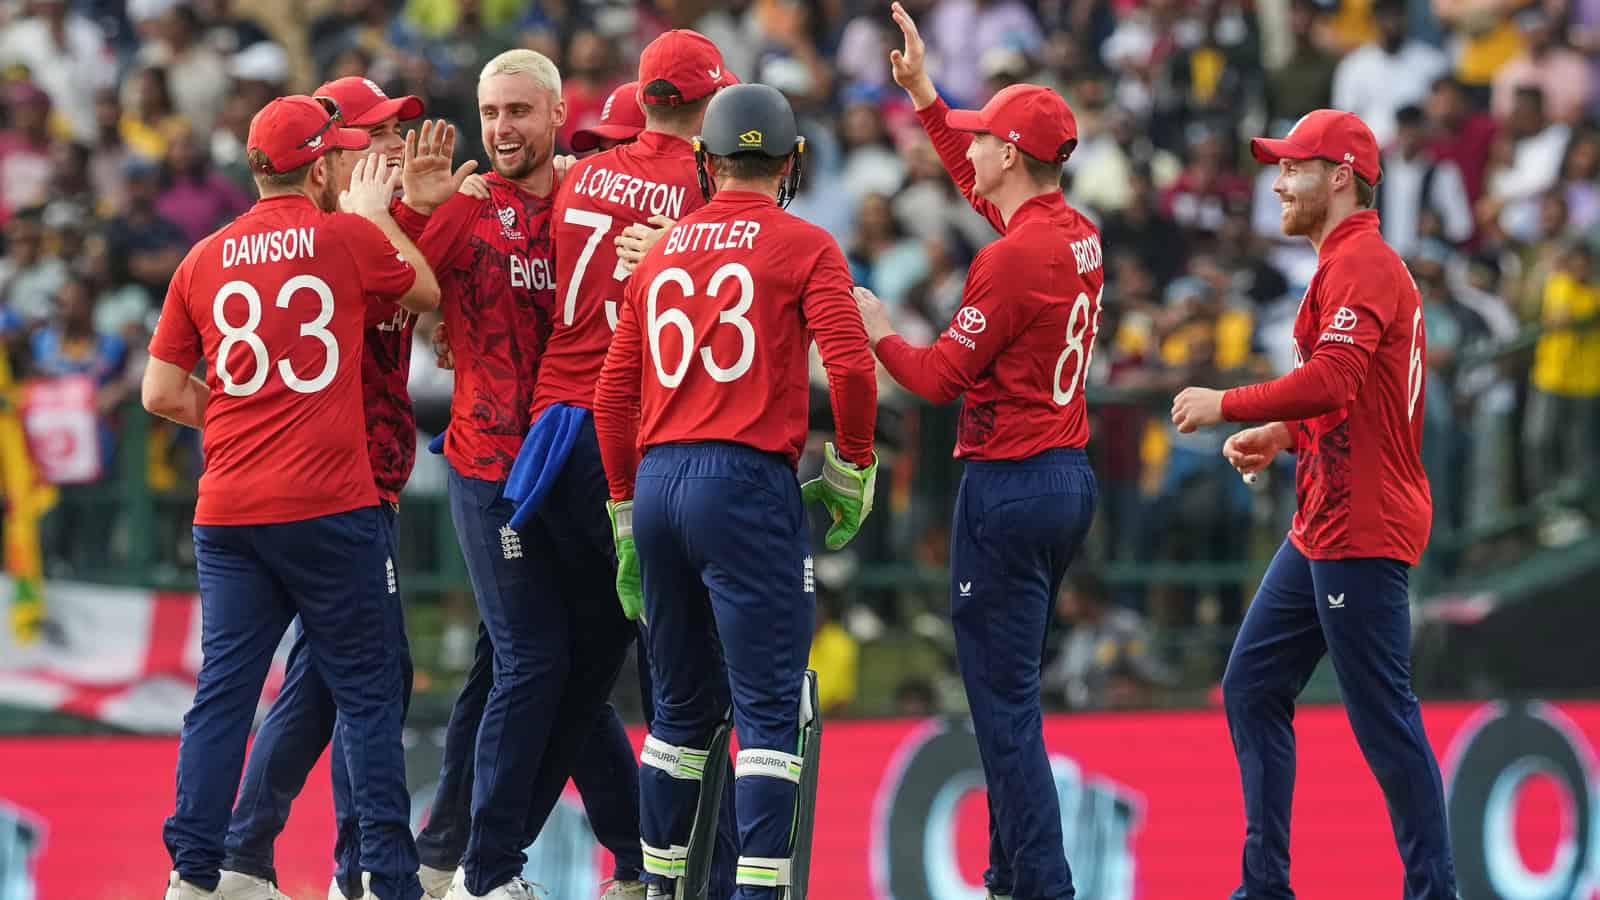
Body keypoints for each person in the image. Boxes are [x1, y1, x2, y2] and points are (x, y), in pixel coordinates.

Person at [142, 94, 441, 900]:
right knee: (369, 694)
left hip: (230, 508)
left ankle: (194, 874)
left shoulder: (201, 257)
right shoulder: (342, 236)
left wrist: (237, 412)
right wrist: (378, 214)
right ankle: (387, 875)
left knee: (223, 698)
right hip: (329, 504)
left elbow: (160, 391)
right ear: (319, 166)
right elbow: (422, 292)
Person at [592, 83, 878, 899]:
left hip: (657, 479)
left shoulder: (664, 252)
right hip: (746, 481)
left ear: (705, 163)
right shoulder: (806, 244)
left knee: (676, 719)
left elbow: (615, 397)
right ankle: (756, 892)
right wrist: (852, 464)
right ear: (790, 162)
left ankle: (658, 884)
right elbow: (852, 365)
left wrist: (621, 508)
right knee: (767, 714)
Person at [1169, 107, 1460, 899]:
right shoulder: (1347, 263)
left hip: (1358, 524)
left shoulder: (1362, 261)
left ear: (1340, 177)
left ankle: (1435, 891)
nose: (1278, 182)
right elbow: (1348, 400)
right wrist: (1281, 432)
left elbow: (1335, 380)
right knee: (1252, 687)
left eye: (1293, 168)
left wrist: (1229, 403)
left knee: (1384, 721)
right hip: (1326, 519)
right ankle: (1264, 886)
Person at [849, 7, 1103, 900]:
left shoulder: (1009, 260)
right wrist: (924, 94)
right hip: (1065, 476)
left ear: (1013, 154)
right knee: (1013, 697)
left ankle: (1042, 883)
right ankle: (1008, 875)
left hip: (1007, 484)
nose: (972, 150)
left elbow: (938, 377)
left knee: (1004, 711)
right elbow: (987, 190)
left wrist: (878, 330)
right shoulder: (1073, 234)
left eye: (984, 138)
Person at [211, 78, 473, 900]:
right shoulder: (327, 232)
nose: (396, 142)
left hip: (369, 471)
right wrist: (399, 219)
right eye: (376, 132)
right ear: (330, 154)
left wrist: (424, 214)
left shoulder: (367, 222)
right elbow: (420, 297)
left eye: (398, 126)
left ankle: (253, 857)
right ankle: (333, 866)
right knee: (367, 674)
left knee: (340, 673)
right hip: (334, 484)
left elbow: (432, 311)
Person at [504, 30, 742, 900]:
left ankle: (491, 862)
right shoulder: (701, 188)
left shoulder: (582, 177)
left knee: (567, 668)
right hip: (638, 438)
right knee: (679, 677)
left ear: (642, 102)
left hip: (548, 433)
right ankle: (694, 876)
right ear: (710, 103)